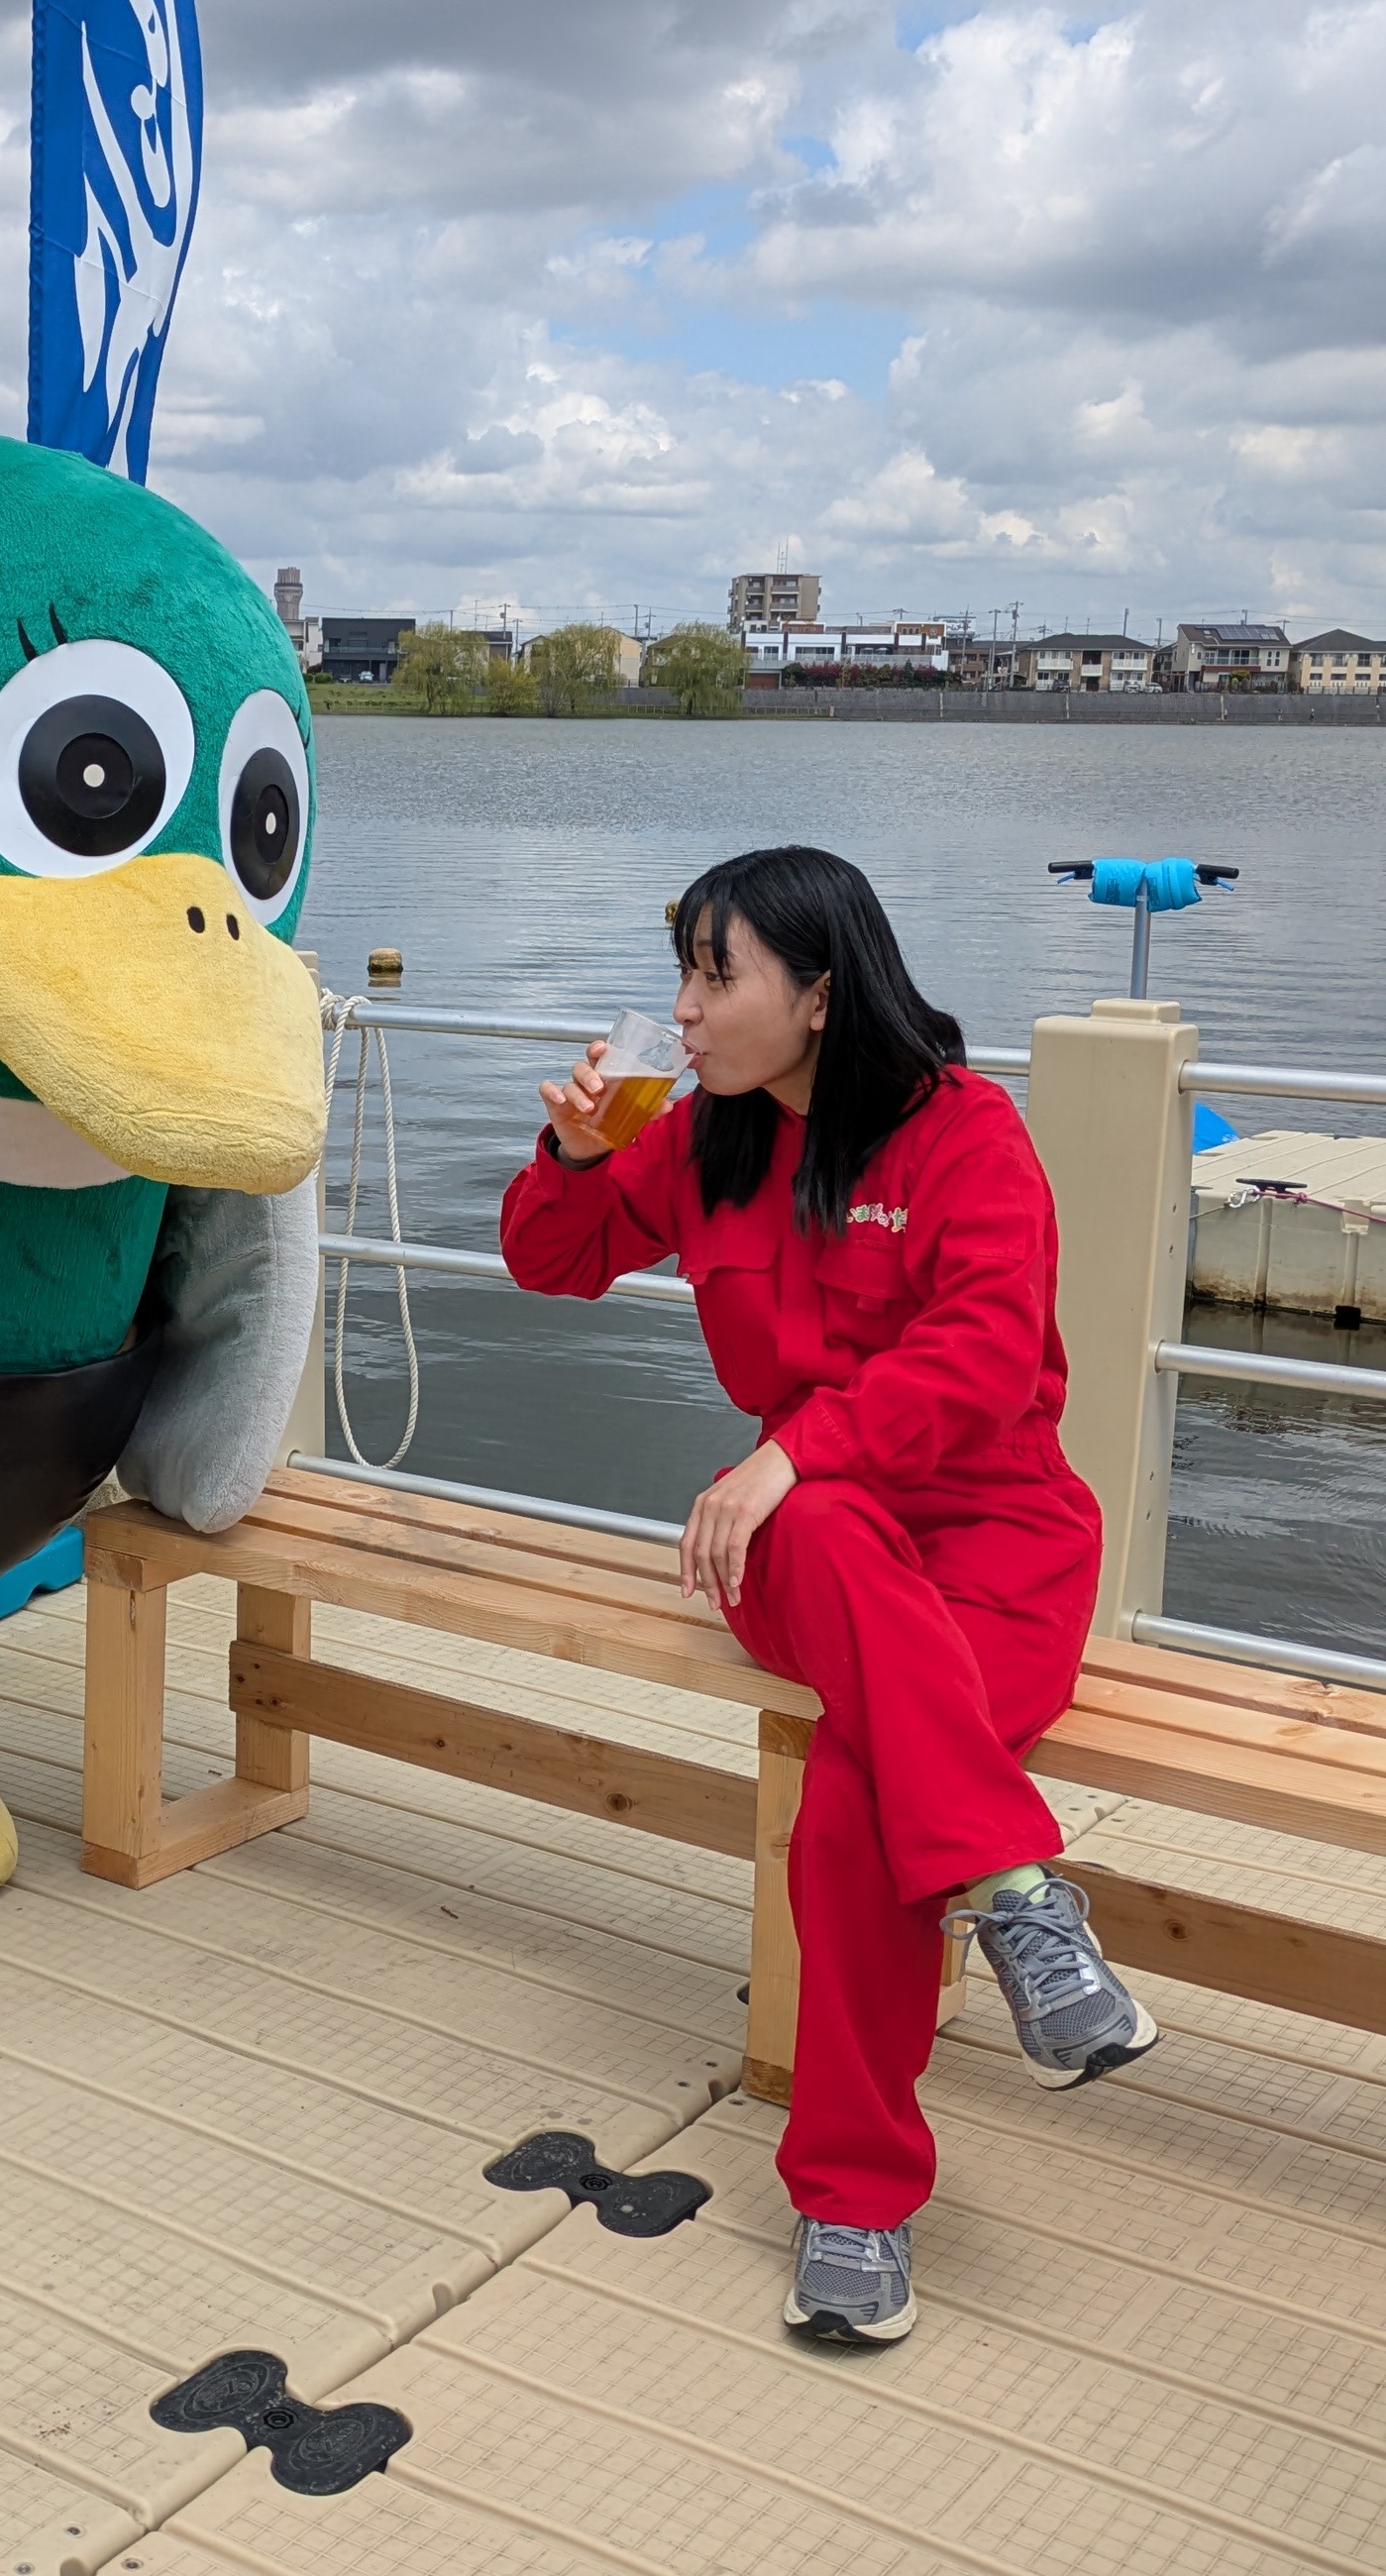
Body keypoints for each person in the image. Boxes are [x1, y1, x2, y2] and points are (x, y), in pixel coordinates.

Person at [499, 844, 1155, 2347]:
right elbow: (547, 1263)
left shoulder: (963, 1135)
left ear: (817, 991)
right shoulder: (709, 1136)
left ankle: (852, 2200)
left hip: (997, 1554)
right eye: (681, 971)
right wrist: (584, 1156)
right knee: (833, 1533)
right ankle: (1013, 1894)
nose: (683, 1011)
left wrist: (793, 1449)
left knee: (861, 1801)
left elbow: (988, 1358)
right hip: (809, 1551)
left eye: (712, 975)